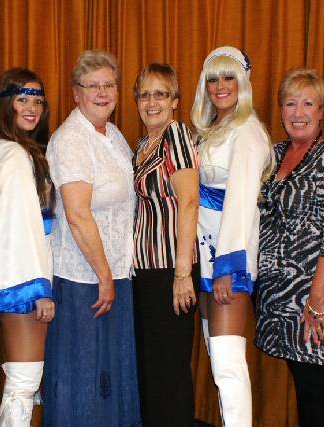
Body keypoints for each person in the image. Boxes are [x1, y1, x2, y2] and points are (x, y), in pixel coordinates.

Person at [42, 49, 141, 427]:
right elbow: (78, 214)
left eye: (109, 85)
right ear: (75, 93)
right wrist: (103, 276)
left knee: (110, 376)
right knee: (81, 379)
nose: (102, 93)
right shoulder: (71, 140)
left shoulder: (113, 135)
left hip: (115, 274)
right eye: (92, 86)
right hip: (84, 280)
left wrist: (113, 275)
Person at [255, 68, 324, 427]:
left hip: (314, 293)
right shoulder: (275, 153)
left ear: (322, 110)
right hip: (278, 293)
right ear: (280, 110)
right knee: (301, 379)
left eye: (308, 103)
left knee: (312, 386)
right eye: (290, 103)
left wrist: (317, 300)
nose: (298, 112)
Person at [191, 46, 273, 427]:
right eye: (212, 78)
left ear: (243, 82)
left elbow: (241, 203)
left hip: (228, 259)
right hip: (206, 257)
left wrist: (227, 268)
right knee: (215, 355)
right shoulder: (212, 130)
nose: (220, 86)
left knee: (227, 363)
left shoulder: (247, 131)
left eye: (228, 77)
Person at [0, 68, 55, 427]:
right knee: (24, 381)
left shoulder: (17, 150)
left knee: (24, 379)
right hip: (21, 278)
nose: (31, 107)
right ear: (5, 104)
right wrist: (38, 290)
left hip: (18, 272)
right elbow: (20, 229)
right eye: (22, 99)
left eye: (38, 100)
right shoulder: (13, 156)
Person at [131, 63, 199, 427]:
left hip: (172, 268)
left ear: (175, 100)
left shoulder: (175, 134)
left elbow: (189, 201)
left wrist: (182, 273)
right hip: (146, 272)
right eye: (144, 94)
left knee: (169, 371)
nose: (151, 102)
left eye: (160, 93)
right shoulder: (143, 144)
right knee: (151, 368)